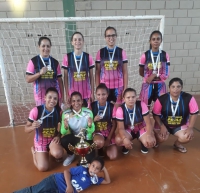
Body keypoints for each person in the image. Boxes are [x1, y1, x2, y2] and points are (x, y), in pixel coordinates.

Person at [13, 157, 111, 193]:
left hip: (59, 191)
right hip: (55, 181)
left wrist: (104, 169)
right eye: (93, 166)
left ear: (99, 171)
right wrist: (69, 186)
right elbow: (66, 172)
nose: (94, 169)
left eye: (97, 168)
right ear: (89, 165)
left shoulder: (94, 179)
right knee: (34, 191)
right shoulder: (82, 169)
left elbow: (108, 181)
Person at [152, 77, 199, 153]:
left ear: (182, 88)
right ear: (169, 88)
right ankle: (157, 141)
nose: (175, 89)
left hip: (180, 124)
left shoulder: (189, 98)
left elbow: (194, 113)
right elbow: (155, 114)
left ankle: (177, 144)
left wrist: (190, 128)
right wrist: (162, 126)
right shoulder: (161, 99)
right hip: (164, 124)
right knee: (161, 138)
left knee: (187, 137)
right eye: (173, 87)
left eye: (178, 87)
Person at [25, 87, 63, 172]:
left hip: (53, 140)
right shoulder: (36, 111)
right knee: (43, 168)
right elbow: (26, 129)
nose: (52, 100)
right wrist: (32, 126)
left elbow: (62, 126)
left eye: (55, 98)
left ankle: (52, 151)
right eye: (50, 97)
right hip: (40, 142)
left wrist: (58, 136)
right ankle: (34, 152)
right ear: (44, 98)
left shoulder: (58, 111)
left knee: (58, 154)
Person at [115, 88, 156, 154]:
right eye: (128, 97)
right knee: (119, 140)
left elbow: (148, 123)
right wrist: (124, 139)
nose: (131, 99)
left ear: (136, 97)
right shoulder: (120, 110)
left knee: (151, 141)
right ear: (124, 99)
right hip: (128, 130)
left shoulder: (142, 105)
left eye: (133, 97)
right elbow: (121, 128)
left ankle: (143, 142)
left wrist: (148, 135)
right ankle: (125, 145)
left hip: (141, 128)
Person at [26, 36, 64, 106]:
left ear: (50, 47)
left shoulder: (55, 62)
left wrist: (62, 97)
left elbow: (60, 80)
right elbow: (28, 79)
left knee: (55, 116)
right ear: (39, 47)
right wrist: (39, 73)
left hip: (54, 97)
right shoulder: (33, 61)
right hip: (40, 97)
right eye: (43, 46)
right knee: (42, 116)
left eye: (48, 46)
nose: (46, 48)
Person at [60, 91, 95, 166]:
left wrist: (89, 126)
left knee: (90, 160)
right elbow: (63, 132)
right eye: (73, 101)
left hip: (86, 138)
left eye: (78, 100)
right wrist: (65, 127)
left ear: (82, 101)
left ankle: (83, 154)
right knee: (64, 139)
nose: (76, 103)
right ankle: (71, 154)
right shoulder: (66, 114)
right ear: (71, 102)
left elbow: (92, 131)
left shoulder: (88, 112)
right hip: (74, 138)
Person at [95, 26, 128, 104]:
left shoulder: (121, 52)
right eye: (108, 36)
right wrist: (98, 88)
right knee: (106, 110)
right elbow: (97, 72)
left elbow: (125, 71)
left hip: (118, 87)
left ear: (116, 36)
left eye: (113, 35)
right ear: (105, 38)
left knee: (118, 109)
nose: (111, 38)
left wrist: (125, 88)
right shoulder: (100, 52)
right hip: (104, 87)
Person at [62, 32, 94, 107]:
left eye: (80, 39)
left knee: (86, 115)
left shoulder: (88, 57)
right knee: (74, 115)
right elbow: (65, 78)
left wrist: (92, 92)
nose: (77, 42)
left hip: (86, 93)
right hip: (73, 94)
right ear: (72, 42)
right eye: (75, 40)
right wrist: (67, 94)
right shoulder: (67, 57)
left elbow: (91, 76)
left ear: (83, 42)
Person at [139, 30, 170, 108]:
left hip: (160, 85)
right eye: (153, 39)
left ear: (161, 41)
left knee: (160, 108)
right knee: (145, 107)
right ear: (150, 41)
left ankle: (157, 121)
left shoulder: (165, 55)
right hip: (147, 85)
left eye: (158, 39)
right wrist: (148, 78)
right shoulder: (145, 55)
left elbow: (166, 74)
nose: (156, 41)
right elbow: (141, 72)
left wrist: (154, 75)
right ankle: (145, 121)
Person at [91, 83, 117, 159]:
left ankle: (106, 145)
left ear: (107, 94)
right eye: (98, 94)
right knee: (99, 142)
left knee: (113, 156)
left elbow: (114, 124)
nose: (101, 97)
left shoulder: (112, 106)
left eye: (103, 94)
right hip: (98, 131)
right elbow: (87, 122)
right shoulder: (92, 105)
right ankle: (100, 148)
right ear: (96, 94)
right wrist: (93, 120)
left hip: (108, 131)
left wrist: (109, 139)